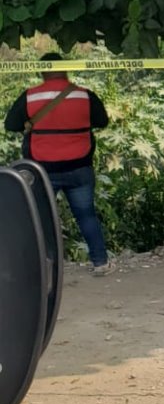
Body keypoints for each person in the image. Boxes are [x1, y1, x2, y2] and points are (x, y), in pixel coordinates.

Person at [4, 53, 113, 275]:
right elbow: (102, 121)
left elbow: (10, 125)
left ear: (42, 71)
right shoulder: (84, 95)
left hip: (42, 171)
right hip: (79, 167)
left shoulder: (30, 97)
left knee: (39, 219)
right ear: (65, 69)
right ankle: (100, 262)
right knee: (86, 215)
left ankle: (41, 267)